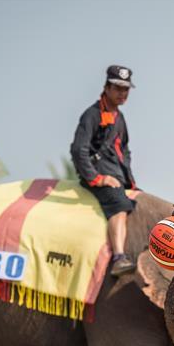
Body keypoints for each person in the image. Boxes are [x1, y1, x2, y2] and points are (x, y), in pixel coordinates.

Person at [71, 65, 138, 276]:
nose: (122, 93)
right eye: (118, 88)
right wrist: (97, 178)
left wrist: (128, 179)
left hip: (117, 176)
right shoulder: (91, 115)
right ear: (106, 87)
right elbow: (78, 150)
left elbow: (124, 149)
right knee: (119, 204)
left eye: (125, 89)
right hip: (100, 177)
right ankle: (118, 257)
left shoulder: (119, 117)